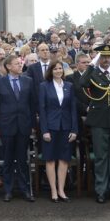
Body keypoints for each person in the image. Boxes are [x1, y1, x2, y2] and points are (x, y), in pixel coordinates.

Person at [79, 43, 110, 204]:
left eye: (108, 56)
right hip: (99, 121)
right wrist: (92, 63)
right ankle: (101, 190)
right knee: (101, 157)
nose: (106, 59)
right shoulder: (92, 73)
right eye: (103, 56)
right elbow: (82, 83)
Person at [0, 54, 37, 202]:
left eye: (21, 63)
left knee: (22, 159)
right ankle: (8, 190)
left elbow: (32, 105)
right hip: (6, 125)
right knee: (8, 159)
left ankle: (25, 190)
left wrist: (32, 125)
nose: (20, 65)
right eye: (17, 63)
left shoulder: (28, 81)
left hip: (24, 125)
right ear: (9, 66)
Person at [38, 61, 78, 203]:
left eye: (61, 68)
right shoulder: (44, 86)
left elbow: (73, 109)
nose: (58, 71)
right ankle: (53, 190)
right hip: (50, 127)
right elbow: (42, 110)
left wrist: (74, 130)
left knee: (63, 159)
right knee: (50, 159)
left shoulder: (69, 86)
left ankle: (61, 190)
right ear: (51, 71)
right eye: (55, 69)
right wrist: (44, 130)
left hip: (66, 127)